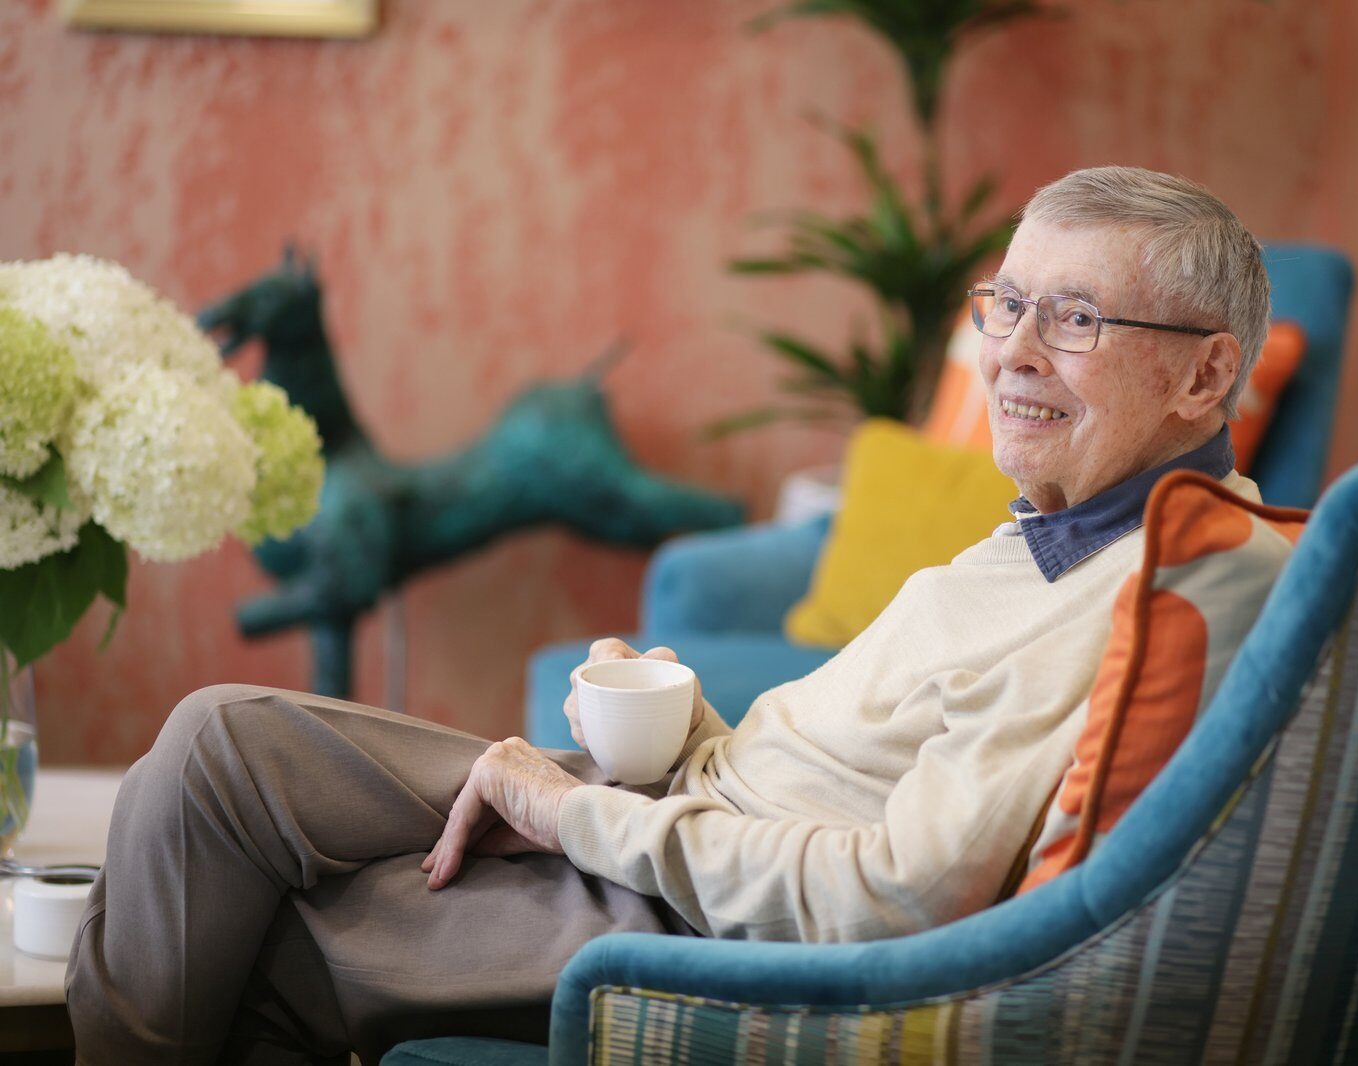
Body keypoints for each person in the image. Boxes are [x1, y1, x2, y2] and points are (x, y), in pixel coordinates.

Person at [66, 165, 1270, 1064]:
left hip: (689, 908)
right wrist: (684, 729)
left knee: (248, 929)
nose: (1011, 353)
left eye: (1072, 318)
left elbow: (894, 898)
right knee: (226, 746)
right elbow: (858, 765)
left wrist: (581, 816)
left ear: (1204, 376)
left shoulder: (1150, 584)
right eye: (1004, 306)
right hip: (678, 801)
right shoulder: (1071, 526)